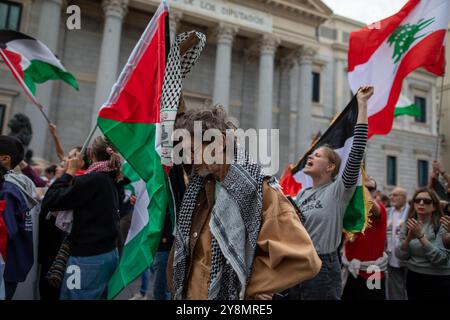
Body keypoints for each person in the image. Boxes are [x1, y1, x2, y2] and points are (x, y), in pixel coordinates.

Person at [167, 106, 321, 300]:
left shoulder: (262, 192)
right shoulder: (202, 185)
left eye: (193, 150)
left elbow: (303, 260)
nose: (189, 158)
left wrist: (248, 286)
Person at [291, 86, 372, 300]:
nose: (311, 156)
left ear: (330, 167)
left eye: (317, 155)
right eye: (311, 153)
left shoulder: (338, 190)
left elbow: (357, 151)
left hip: (323, 268)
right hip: (296, 264)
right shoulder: (302, 194)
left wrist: (362, 105)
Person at [41, 136, 122, 300]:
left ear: (90, 153)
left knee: (72, 296)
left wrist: (69, 172)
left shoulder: (92, 179)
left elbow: (50, 200)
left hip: (87, 259)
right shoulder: (110, 178)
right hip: (106, 253)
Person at [395, 187, 450, 299]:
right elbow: (400, 255)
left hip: (439, 279)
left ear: (434, 206)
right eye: (417, 200)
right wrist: (408, 238)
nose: (421, 203)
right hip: (414, 276)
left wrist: (420, 236)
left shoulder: (442, 225)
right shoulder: (408, 224)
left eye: (426, 201)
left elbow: (440, 259)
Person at [0, 135, 37, 300]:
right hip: (15, 261)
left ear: (5, 159)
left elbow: (6, 230)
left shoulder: (7, 190)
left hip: (6, 265)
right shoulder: (18, 184)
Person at [342, 176, 387, 300]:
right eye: (362, 187)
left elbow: (371, 205)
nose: (364, 190)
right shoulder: (349, 212)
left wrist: (360, 184)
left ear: (374, 193)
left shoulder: (380, 209)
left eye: (369, 188)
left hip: (373, 272)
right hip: (350, 269)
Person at [130, 211, 173, 300]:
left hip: (165, 244)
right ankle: (143, 292)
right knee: (160, 290)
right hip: (158, 242)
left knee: (160, 291)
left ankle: (143, 292)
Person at [386, 187, 409, 300]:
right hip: (391, 255)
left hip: (408, 256)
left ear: (404, 198)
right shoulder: (387, 211)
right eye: (391, 195)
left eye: (395, 195)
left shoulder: (411, 211)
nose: (392, 197)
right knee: (394, 287)